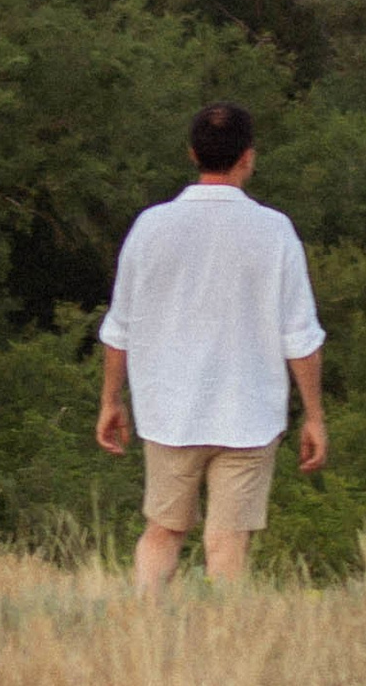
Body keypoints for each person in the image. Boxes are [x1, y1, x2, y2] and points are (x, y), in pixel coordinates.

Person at [96, 102, 326, 593]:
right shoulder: (274, 230)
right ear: (248, 157)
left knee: (163, 531)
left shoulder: (151, 226)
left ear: (192, 153)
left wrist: (111, 401)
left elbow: (121, 328)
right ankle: (221, 647)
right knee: (227, 542)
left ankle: (144, 635)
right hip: (248, 415)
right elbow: (300, 336)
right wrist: (314, 416)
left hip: (169, 412)